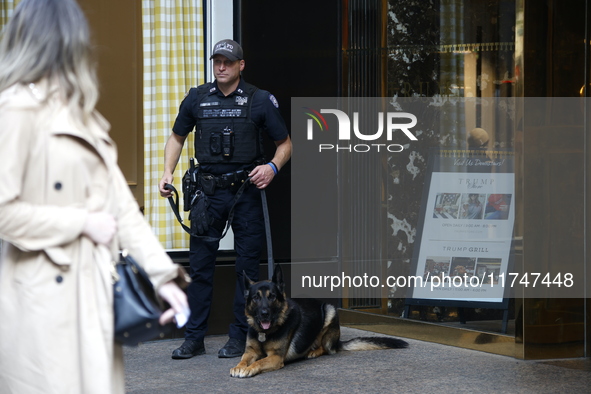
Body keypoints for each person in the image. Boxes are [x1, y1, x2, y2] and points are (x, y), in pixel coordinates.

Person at [0, 1, 190, 393]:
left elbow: (121, 207)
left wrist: (163, 277)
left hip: (90, 295)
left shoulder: (82, 116)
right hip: (39, 299)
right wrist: (81, 222)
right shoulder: (14, 110)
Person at [159, 39, 292, 359]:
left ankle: (239, 337)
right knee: (201, 267)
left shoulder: (259, 100)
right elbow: (177, 137)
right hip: (207, 194)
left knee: (245, 269)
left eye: (228, 62)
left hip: (245, 193)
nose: (221, 66)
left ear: (240, 65)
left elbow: (286, 144)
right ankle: (194, 338)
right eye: (217, 60)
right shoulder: (197, 97)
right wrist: (167, 173)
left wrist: (272, 167)